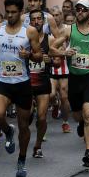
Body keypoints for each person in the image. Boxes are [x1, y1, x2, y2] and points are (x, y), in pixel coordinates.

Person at [0, 0, 43, 177]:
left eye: (13, 12)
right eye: (7, 12)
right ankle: (7, 130)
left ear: (21, 12)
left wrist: (28, 55)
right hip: (2, 81)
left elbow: (39, 56)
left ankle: (21, 160)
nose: (10, 15)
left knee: (24, 126)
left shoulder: (30, 32)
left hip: (22, 84)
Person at [50, 0, 89, 167]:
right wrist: (64, 52)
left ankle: (88, 151)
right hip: (75, 78)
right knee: (78, 114)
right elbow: (51, 49)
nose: (80, 12)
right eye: (77, 9)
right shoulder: (69, 30)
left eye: (84, 9)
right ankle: (81, 123)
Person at [28, 9, 52, 158]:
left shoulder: (49, 39)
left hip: (43, 83)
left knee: (42, 117)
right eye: (33, 19)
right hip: (26, 84)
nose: (36, 21)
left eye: (39, 19)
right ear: (30, 22)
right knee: (26, 116)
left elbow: (56, 61)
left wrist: (52, 61)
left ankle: (37, 146)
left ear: (43, 21)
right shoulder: (25, 37)